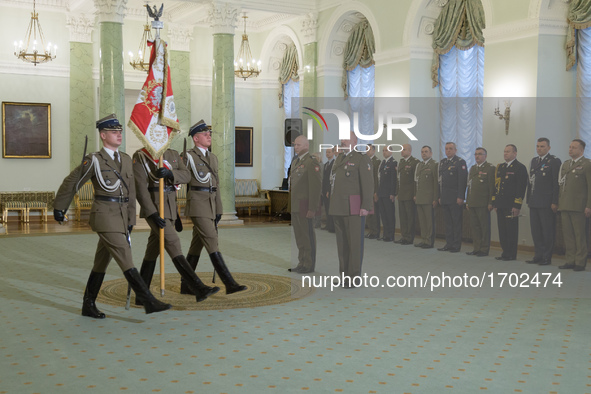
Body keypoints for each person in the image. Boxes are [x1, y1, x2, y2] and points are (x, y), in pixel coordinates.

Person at [53, 114, 171, 318]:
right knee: (125, 255)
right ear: (103, 135)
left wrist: (131, 219)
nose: (119, 134)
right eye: (114, 132)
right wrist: (59, 208)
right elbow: (72, 182)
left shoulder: (125, 159)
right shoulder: (94, 160)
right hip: (105, 216)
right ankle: (147, 300)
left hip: (122, 216)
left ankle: (88, 305)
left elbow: (132, 192)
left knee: (101, 261)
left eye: (120, 131)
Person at [133, 147, 220, 303]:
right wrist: (152, 212)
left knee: (152, 250)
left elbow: (186, 175)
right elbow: (140, 189)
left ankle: (141, 294)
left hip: (171, 207)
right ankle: (197, 287)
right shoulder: (140, 156)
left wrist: (171, 174)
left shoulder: (173, 154)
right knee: (173, 242)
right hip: (155, 208)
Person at [182, 120, 247, 294]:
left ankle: (185, 284)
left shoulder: (213, 158)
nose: (209, 136)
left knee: (197, 245)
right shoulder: (188, 157)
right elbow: (180, 177)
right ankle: (230, 283)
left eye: (209, 133)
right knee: (211, 240)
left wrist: (219, 209)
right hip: (197, 205)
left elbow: (216, 186)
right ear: (195, 138)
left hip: (210, 205)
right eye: (205, 134)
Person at [329, 131, 374, 287]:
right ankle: (344, 276)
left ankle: (354, 277)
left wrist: (366, 206)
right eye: (341, 138)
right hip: (338, 207)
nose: (342, 141)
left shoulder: (361, 158)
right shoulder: (339, 158)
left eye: (346, 138)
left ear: (355, 141)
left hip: (354, 208)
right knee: (342, 245)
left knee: (354, 244)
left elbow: (368, 185)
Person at [288, 135, 322, 273]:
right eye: (295, 145)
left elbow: (315, 187)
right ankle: (301, 261)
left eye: (298, 145)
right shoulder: (296, 161)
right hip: (296, 205)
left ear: (306, 146)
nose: (295, 147)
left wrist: (313, 208)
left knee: (307, 236)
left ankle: (309, 264)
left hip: (305, 205)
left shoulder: (311, 162)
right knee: (299, 236)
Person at [526, 138, 561, 266]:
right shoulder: (534, 161)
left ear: (549, 148)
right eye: (538, 146)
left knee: (547, 231)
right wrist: (528, 198)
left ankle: (547, 257)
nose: (539, 148)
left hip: (547, 203)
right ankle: (538, 255)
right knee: (536, 231)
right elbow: (530, 182)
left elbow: (556, 183)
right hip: (534, 201)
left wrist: (555, 201)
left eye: (542, 146)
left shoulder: (554, 161)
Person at [557, 139, 591, 271]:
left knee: (579, 235)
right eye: (570, 147)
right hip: (565, 205)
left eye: (574, 147)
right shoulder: (566, 164)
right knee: (568, 235)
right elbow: (562, 185)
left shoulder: (587, 164)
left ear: (581, 150)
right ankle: (570, 260)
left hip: (579, 206)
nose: (570, 149)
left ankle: (580, 262)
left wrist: (588, 205)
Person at [492, 144, 528, 261]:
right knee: (502, 230)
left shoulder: (519, 167)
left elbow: (520, 188)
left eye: (508, 151)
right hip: (501, 204)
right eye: (504, 151)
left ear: (515, 153)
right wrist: (496, 203)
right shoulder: (501, 167)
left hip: (511, 205)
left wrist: (517, 205)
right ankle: (505, 252)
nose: (505, 153)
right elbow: (496, 186)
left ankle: (511, 254)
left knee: (511, 230)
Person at [438, 142, 467, 252]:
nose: (448, 151)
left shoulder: (460, 162)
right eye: (446, 149)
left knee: (456, 223)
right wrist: (440, 196)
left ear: (455, 150)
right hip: (445, 197)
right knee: (448, 223)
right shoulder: (443, 162)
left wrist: (461, 196)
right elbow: (440, 181)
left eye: (450, 149)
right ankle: (449, 244)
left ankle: (456, 245)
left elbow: (462, 181)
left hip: (455, 198)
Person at [465, 147, 495, 257]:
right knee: (475, 227)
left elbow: (492, 187)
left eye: (480, 154)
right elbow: (469, 186)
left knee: (484, 227)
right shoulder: (473, 168)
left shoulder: (490, 168)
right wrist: (467, 201)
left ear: (485, 156)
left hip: (483, 203)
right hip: (472, 202)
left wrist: (491, 202)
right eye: (476, 154)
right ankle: (476, 248)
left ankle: (484, 249)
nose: (477, 156)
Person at [414, 146, 439, 249]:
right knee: (422, 221)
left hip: (429, 198)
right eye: (422, 152)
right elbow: (416, 182)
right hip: (419, 197)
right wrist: (415, 194)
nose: (424, 153)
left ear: (431, 153)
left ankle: (429, 241)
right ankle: (423, 239)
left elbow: (436, 183)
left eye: (426, 152)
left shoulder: (434, 165)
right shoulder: (419, 165)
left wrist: (435, 198)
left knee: (429, 221)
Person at [395, 144, 420, 245]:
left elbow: (415, 180)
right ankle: (404, 236)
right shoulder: (401, 162)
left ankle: (409, 238)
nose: (402, 151)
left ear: (409, 151)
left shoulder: (415, 162)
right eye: (401, 149)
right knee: (403, 217)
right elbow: (398, 179)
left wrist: (415, 194)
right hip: (401, 194)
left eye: (404, 149)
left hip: (409, 194)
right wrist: (397, 192)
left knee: (410, 217)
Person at [377, 147, 398, 242]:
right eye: (383, 150)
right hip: (381, 193)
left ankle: (390, 235)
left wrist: (392, 193)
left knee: (389, 215)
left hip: (388, 193)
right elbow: (379, 179)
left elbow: (394, 180)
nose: (384, 152)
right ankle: (385, 234)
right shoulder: (383, 163)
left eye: (386, 150)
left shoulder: (393, 163)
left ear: (391, 151)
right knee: (383, 215)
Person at [365, 144, 381, 239]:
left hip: (373, 191)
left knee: (374, 213)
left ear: (374, 151)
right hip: (367, 191)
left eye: (369, 149)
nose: (367, 151)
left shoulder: (377, 162)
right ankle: (371, 230)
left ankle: (375, 232)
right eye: (366, 149)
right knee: (369, 213)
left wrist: (376, 192)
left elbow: (376, 178)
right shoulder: (365, 161)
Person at [322, 147, 336, 233]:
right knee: (326, 208)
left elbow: (331, 179)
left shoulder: (334, 164)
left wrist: (328, 190)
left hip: (329, 189)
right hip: (324, 189)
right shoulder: (326, 164)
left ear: (333, 153)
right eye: (326, 152)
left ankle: (332, 226)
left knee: (331, 208)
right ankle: (328, 224)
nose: (327, 154)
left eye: (329, 152)